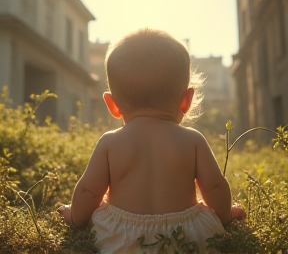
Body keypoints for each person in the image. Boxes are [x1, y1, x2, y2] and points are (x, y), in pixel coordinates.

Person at [58, 29, 245, 253]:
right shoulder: (193, 140)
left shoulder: (110, 142)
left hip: (120, 238)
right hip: (187, 236)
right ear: (186, 100)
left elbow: (88, 191)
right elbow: (215, 187)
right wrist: (225, 215)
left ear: (112, 105)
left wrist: (75, 216)